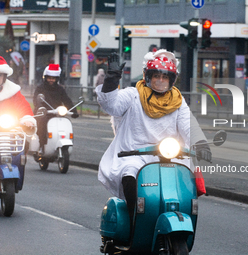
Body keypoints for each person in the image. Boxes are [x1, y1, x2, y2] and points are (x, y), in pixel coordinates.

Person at [95, 49, 211, 230]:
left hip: (168, 155)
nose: (160, 81)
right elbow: (111, 105)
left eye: (165, 77)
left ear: (172, 80)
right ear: (147, 76)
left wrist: (200, 143)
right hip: (133, 154)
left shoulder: (177, 101)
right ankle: (135, 222)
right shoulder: (133, 94)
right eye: (156, 76)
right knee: (129, 174)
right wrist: (112, 79)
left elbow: (189, 126)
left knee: (185, 182)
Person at [33, 64, 79, 153]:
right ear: (45, 77)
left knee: (64, 125)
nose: (51, 80)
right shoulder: (40, 88)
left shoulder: (60, 89)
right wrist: (40, 108)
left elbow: (66, 100)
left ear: (57, 79)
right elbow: (36, 100)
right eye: (49, 78)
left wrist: (74, 111)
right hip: (44, 113)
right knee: (42, 125)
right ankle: (41, 145)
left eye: (53, 78)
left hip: (57, 113)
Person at [0, 56, 36, 131]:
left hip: (10, 130)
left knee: (24, 140)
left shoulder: (12, 90)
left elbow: (23, 106)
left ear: (4, 76)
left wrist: (27, 119)